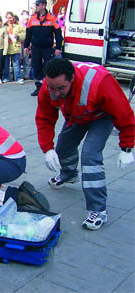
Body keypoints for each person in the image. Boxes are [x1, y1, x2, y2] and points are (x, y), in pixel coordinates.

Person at [35, 58, 135, 230]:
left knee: (90, 156)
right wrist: (47, 148)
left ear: (72, 78)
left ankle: (99, 210)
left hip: (101, 117)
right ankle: (69, 174)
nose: (55, 93)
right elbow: (44, 117)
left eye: (60, 88)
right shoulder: (48, 87)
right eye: (51, 88)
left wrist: (126, 148)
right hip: (76, 115)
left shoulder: (100, 82)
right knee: (62, 148)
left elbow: (124, 113)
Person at [24, 0, 63, 96]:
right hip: (36, 47)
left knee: (48, 67)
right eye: (36, 4)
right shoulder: (32, 18)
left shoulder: (52, 18)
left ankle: (48, 87)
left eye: (38, 4)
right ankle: (38, 86)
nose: (36, 6)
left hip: (47, 48)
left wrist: (58, 48)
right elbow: (28, 34)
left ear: (44, 5)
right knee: (36, 66)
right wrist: (26, 46)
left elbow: (58, 35)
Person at [3, 11, 25, 84]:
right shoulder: (4, 26)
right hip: (7, 47)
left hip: (16, 46)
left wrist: (18, 36)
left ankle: (18, 77)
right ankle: (6, 77)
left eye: (11, 17)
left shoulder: (19, 25)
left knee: (16, 63)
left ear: (13, 17)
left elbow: (24, 34)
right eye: (8, 18)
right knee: (6, 64)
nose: (9, 19)